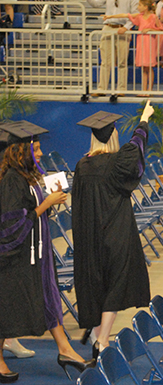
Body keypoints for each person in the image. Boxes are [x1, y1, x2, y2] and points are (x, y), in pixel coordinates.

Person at [0, 121, 96, 384]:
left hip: (36, 254)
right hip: (15, 258)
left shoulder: (28, 177)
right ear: (21, 151)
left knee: (49, 296)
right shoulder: (11, 181)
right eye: (37, 149)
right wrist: (45, 205)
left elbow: (33, 211)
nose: (41, 154)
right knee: (7, 305)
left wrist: (50, 201)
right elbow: (11, 224)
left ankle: (65, 350)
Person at [72, 106, 153, 356]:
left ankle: (97, 335)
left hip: (89, 236)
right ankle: (103, 341)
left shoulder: (82, 166)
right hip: (117, 234)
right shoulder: (117, 162)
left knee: (96, 285)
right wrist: (143, 120)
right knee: (114, 286)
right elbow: (135, 147)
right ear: (114, 134)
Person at [81, 0, 139, 95]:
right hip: (108, 27)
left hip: (123, 29)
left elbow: (135, 15)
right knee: (105, 61)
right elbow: (96, 3)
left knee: (122, 61)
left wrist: (126, 27)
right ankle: (102, 89)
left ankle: (121, 89)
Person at [105, 0, 163, 92]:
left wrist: (150, 29)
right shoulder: (139, 16)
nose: (138, 7)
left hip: (150, 43)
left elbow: (161, 29)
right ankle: (144, 90)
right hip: (141, 42)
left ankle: (150, 90)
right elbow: (125, 15)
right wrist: (110, 17)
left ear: (146, 7)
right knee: (143, 67)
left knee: (149, 67)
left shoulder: (153, 17)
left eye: (140, 5)